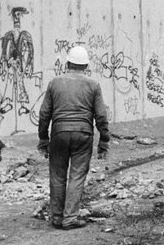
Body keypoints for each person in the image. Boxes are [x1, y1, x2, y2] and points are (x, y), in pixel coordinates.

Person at [37, 45, 110, 230]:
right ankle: (70, 218)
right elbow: (101, 114)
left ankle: (56, 217)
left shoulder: (54, 82)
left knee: (57, 175)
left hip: (59, 133)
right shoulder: (93, 85)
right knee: (77, 175)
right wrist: (104, 139)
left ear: (67, 63)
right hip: (83, 134)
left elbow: (45, 113)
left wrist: (43, 138)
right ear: (85, 66)